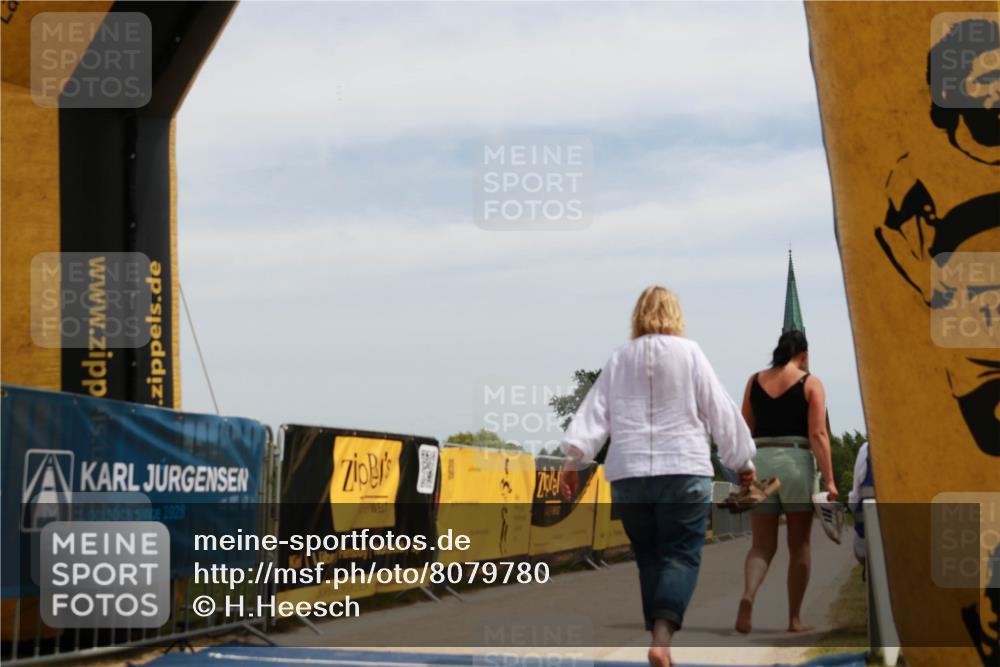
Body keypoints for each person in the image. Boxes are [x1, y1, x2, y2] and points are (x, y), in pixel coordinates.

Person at [558, 286, 757, 667]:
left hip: (629, 474)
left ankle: (658, 639)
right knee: (681, 555)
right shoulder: (690, 353)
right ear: (676, 315)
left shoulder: (620, 359)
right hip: (682, 468)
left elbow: (594, 413)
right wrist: (743, 460)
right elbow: (720, 409)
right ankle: (662, 641)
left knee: (649, 558)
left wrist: (573, 460)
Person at [735, 330, 838, 634]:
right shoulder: (811, 382)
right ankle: (794, 619)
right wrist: (830, 480)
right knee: (799, 545)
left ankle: (748, 595)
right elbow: (818, 435)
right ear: (803, 355)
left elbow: (744, 429)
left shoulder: (754, 381)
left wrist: (743, 469)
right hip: (795, 462)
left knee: (761, 545)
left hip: (761, 462)